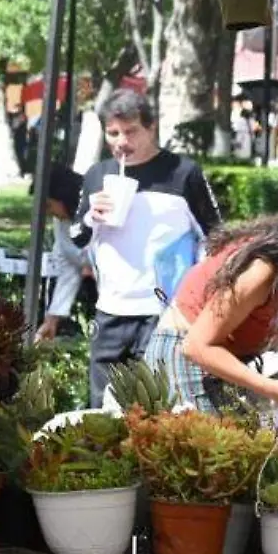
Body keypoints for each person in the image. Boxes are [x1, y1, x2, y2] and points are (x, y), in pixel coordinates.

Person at [72, 90, 221, 406]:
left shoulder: (184, 173)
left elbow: (216, 236)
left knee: (159, 406)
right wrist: (90, 216)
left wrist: (196, 298)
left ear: (151, 128)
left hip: (164, 312)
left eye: (131, 131)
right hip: (110, 308)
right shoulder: (98, 175)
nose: (121, 141)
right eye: (113, 133)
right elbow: (77, 237)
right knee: (102, 407)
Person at [145, 190, 278, 413]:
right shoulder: (263, 270)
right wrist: (273, 389)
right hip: (185, 358)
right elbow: (195, 346)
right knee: (211, 446)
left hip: (221, 360)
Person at [35, 165, 91, 343]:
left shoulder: (96, 215)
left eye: (49, 205)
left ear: (64, 197)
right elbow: (69, 265)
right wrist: (52, 320)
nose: (47, 211)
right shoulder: (60, 222)